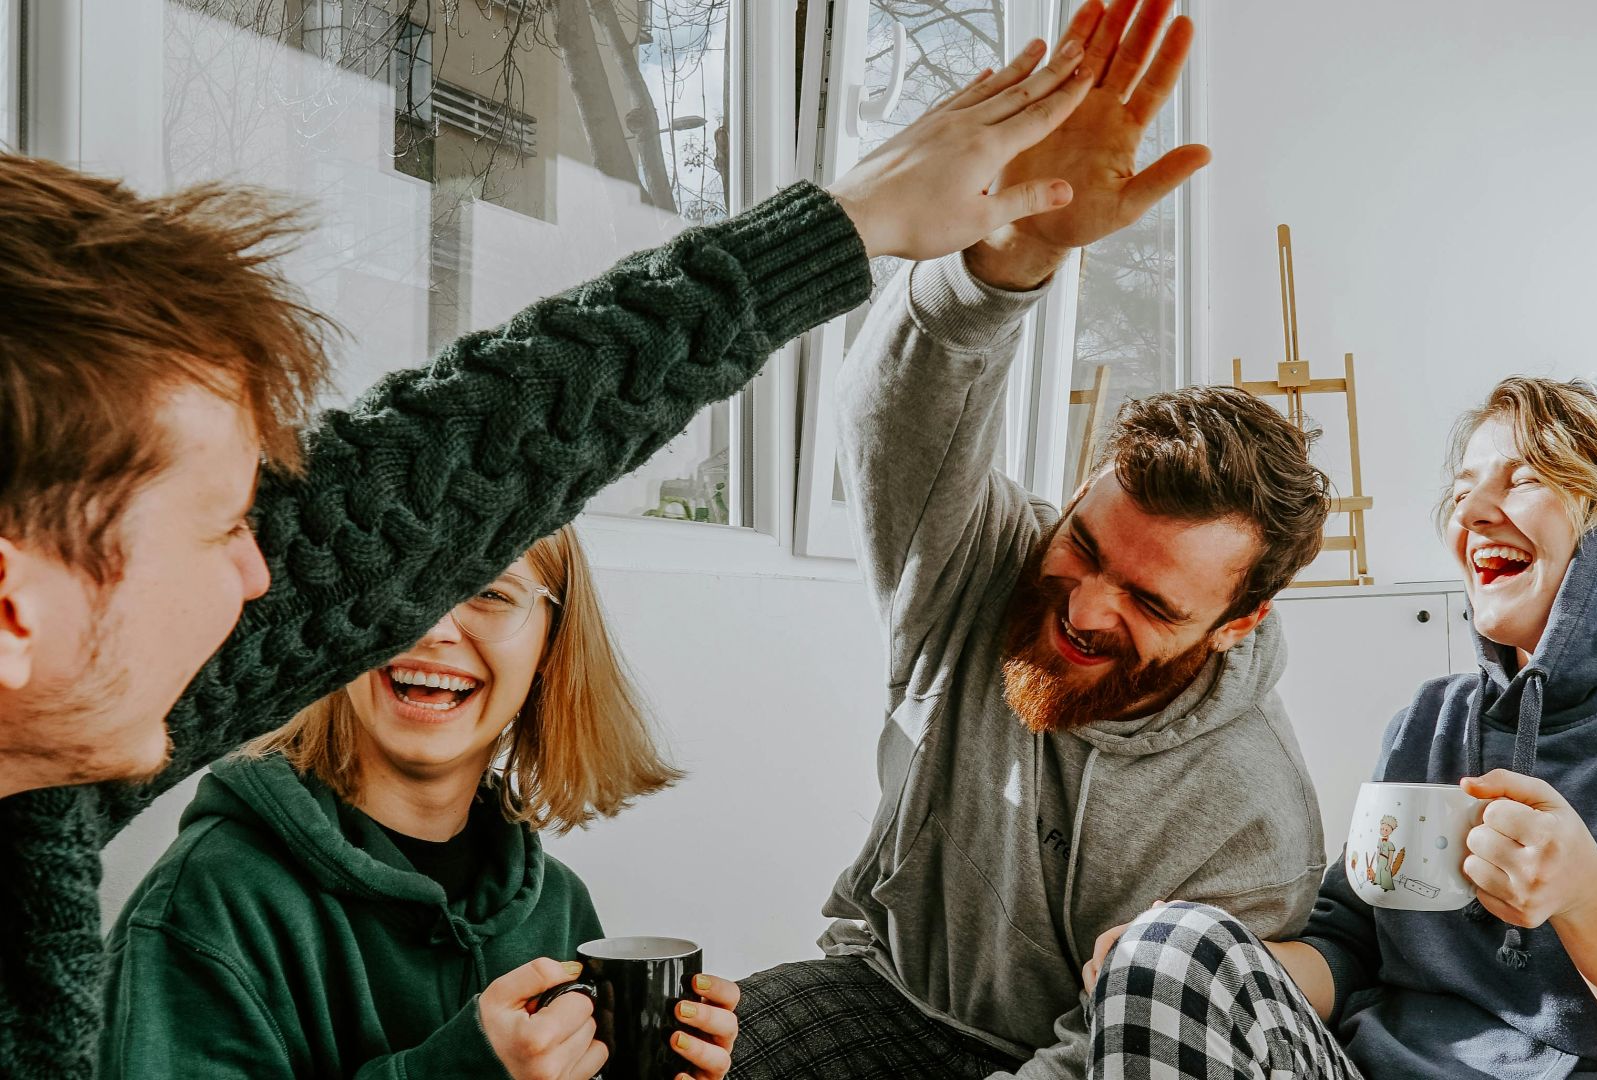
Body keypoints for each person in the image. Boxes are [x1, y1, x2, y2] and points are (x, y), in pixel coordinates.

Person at [0, 39, 1096, 1075]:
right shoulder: (201, 889)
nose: (262, 577)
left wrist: (851, 223)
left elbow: (445, 464)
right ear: (15, 610)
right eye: (224, 525)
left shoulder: (40, 788)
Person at [728, 2, 1335, 1077]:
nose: (1089, 607)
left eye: (1153, 604)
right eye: (1089, 547)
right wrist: (1013, 256)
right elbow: (896, 412)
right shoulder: (981, 567)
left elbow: (1127, 1052)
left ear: (1238, 625)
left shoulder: (1251, 815)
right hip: (886, 994)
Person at [1083, 378, 1597, 1080]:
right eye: (1465, 488)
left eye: (1526, 478)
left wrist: (1587, 896)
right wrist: (1187, 960)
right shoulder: (1432, 720)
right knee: (1170, 947)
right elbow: (1349, 948)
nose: (1470, 514)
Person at [97, 525, 737, 1079]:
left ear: (549, 648)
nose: (433, 629)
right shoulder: (207, 902)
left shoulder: (558, 906)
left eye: (489, 593)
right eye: (404, 582)